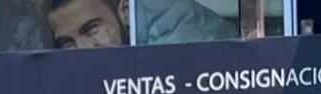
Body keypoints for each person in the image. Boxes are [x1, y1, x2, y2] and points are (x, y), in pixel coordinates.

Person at [47, 0, 238, 50]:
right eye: (67, 43)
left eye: (92, 30)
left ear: (125, 11)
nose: (82, 49)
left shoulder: (180, 31)